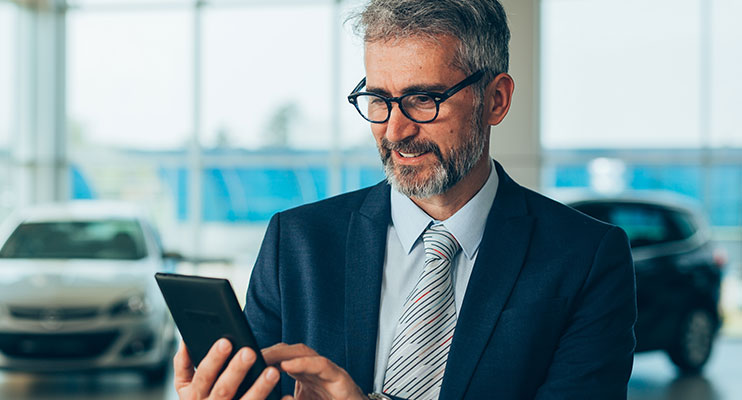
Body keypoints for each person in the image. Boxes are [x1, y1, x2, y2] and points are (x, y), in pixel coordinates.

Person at [173, 0, 637, 399]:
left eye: (423, 99)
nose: (395, 132)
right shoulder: (295, 243)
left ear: (496, 99)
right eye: (379, 100)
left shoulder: (586, 260)